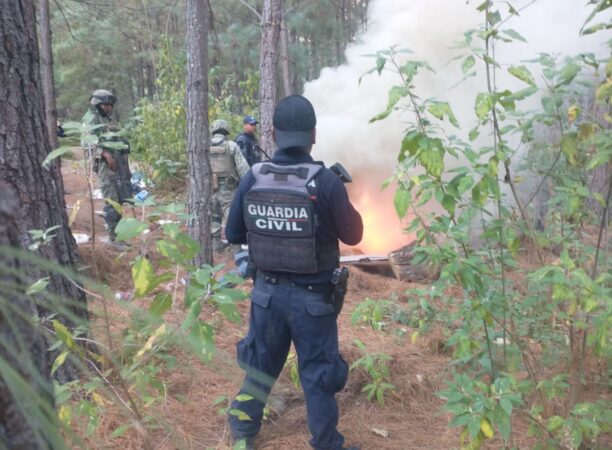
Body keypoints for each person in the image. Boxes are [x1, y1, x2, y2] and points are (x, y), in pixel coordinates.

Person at [225, 95, 363, 450]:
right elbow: (354, 235)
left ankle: (243, 433)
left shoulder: (254, 178)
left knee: (260, 366)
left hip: (266, 297)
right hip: (313, 303)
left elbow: (233, 233)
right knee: (318, 375)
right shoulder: (325, 182)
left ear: (271, 133)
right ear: (313, 135)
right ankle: (326, 443)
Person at [81, 89, 132, 249]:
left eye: (110, 105)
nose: (108, 107)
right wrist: (105, 154)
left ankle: (118, 236)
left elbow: (120, 138)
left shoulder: (109, 120)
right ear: (97, 104)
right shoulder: (91, 119)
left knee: (120, 199)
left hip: (119, 165)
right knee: (111, 200)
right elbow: (87, 142)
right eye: (105, 104)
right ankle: (113, 238)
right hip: (105, 166)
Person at [209, 119, 250, 251]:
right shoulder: (231, 145)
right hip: (228, 189)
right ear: (226, 130)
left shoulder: (204, 146)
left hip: (209, 188)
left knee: (214, 216)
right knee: (232, 217)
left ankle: (216, 246)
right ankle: (235, 248)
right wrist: (249, 183)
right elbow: (243, 167)